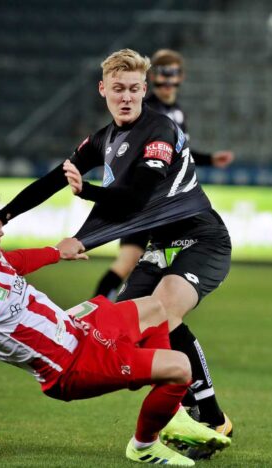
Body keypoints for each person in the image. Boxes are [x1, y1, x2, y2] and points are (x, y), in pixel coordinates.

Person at [0, 48, 233, 456]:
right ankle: (189, 413)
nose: (127, 97)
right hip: (159, 243)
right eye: (118, 89)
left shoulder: (158, 133)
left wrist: (87, 192)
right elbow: (55, 178)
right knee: (136, 332)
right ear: (103, 90)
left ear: (144, 91)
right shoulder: (104, 138)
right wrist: (4, 215)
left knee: (165, 310)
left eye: (135, 90)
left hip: (201, 237)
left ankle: (209, 419)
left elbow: (136, 196)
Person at [0, 190, 230, 466]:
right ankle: (144, 445)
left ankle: (172, 414)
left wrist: (56, 253)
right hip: (72, 366)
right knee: (180, 367)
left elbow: (18, 261)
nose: (0, 229)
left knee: (155, 308)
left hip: (76, 327)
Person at [95, 48, 234, 301]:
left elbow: (179, 152)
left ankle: (108, 317)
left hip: (165, 203)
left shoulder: (176, 112)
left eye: (172, 75)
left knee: (141, 266)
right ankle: (98, 315)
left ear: (180, 78)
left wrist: (209, 159)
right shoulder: (147, 111)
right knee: (129, 263)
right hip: (146, 197)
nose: (167, 83)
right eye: (162, 75)